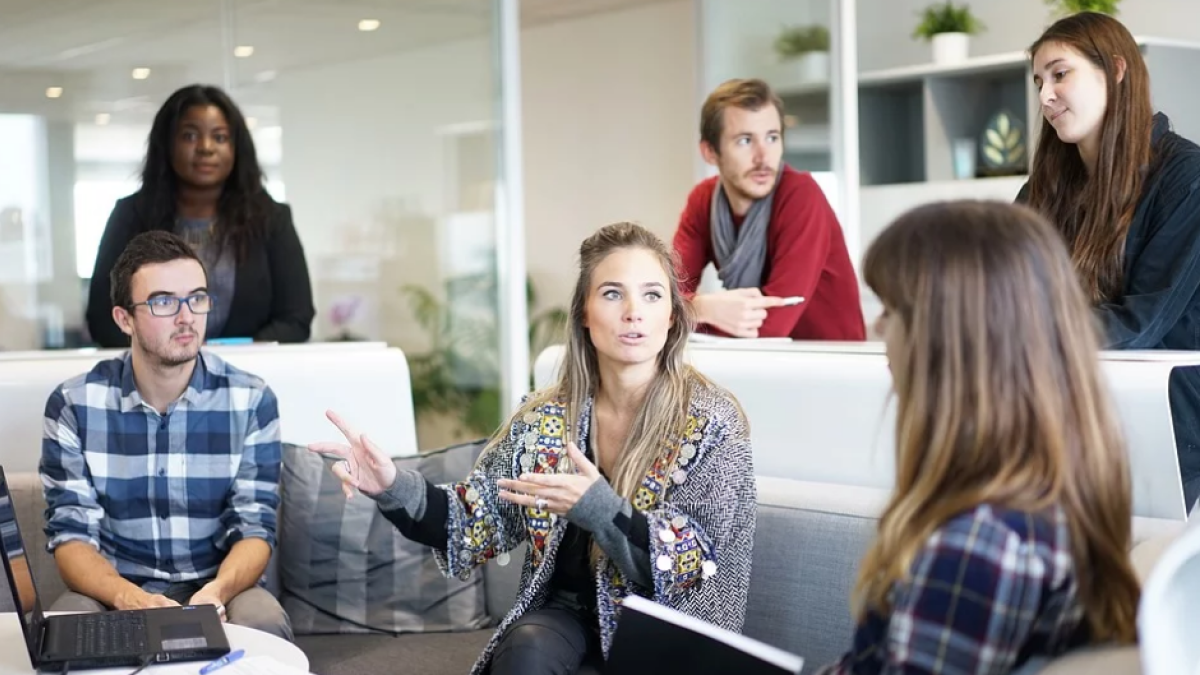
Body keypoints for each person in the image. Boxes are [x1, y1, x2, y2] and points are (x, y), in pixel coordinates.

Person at [310, 222, 756, 675]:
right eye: (612, 293)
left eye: (652, 295)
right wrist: (391, 485)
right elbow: (475, 518)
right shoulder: (545, 417)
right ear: (584, 312)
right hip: (567, 618)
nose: (633, 312)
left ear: (673, 317)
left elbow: (691, 562)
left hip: (666, 633)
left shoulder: (713, 422)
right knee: (527, 650)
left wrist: (599, 508)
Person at [818, 201, 1140, 674]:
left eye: (892, 310)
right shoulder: (1046, 496)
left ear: (949, 339)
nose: (878, 329)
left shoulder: (978, 546)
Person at [42, 231, 290, 640]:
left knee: (263, 621)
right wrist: (130, 598)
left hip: (218, 586)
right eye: (163, 302)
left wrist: (216, 592)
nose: (186, 316)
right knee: (64, 627)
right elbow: (70, 537)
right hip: (115, 589)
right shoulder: (74, 404)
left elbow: (255, 528)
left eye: (197, 298)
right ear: (125, 319)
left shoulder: (251, 400)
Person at [1016, 12, 1200, 508]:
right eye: (1038, 81)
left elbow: (1141, 323)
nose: (1044, 97)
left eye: (1059, 74)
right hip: (1067, 412)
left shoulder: (1186, 176)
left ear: (1116, 70)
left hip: (1166, 423)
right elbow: (1003, 288)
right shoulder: (1044, 188)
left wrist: (1018, 330)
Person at [86, 84, 314, 347]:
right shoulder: (131, 216)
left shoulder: (272, 219)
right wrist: (172, 355)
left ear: (237, 148)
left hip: (249, 376)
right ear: (167, 144)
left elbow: (296, 319)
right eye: (190, 136)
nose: (206, 148)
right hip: (155, 380)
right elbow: (103, 321)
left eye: (220, 137)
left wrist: (230, 358)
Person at [672, 78, 864, 340]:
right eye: (744, 141)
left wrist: (688, 312)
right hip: (759, 364)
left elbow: (771, 326)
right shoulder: (703, 201)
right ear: (710, 152)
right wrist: (701, 307)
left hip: (829, 366)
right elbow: (661, 298)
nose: (763, 157)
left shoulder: (800, 195)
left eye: (772, 138)